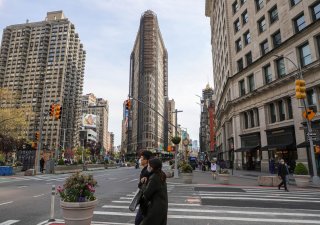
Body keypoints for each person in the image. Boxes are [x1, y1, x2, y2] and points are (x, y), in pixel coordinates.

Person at [140, 158, 168, 225]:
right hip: (162, 206)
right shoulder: (161, 174)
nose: (148, 167)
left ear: (153, 167)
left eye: (149, 165)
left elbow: (146, 193)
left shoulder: (154, 177)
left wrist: (143, 183)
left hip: (155, 208)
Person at [135, 150, 153, 225]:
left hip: (146, 201)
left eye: (142, 158)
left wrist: (140, 183)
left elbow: (141, 185)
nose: (140, 159)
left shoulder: (147, 171)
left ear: (146, 160)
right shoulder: (146, 170)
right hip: (146, 201)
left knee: (138, 221)